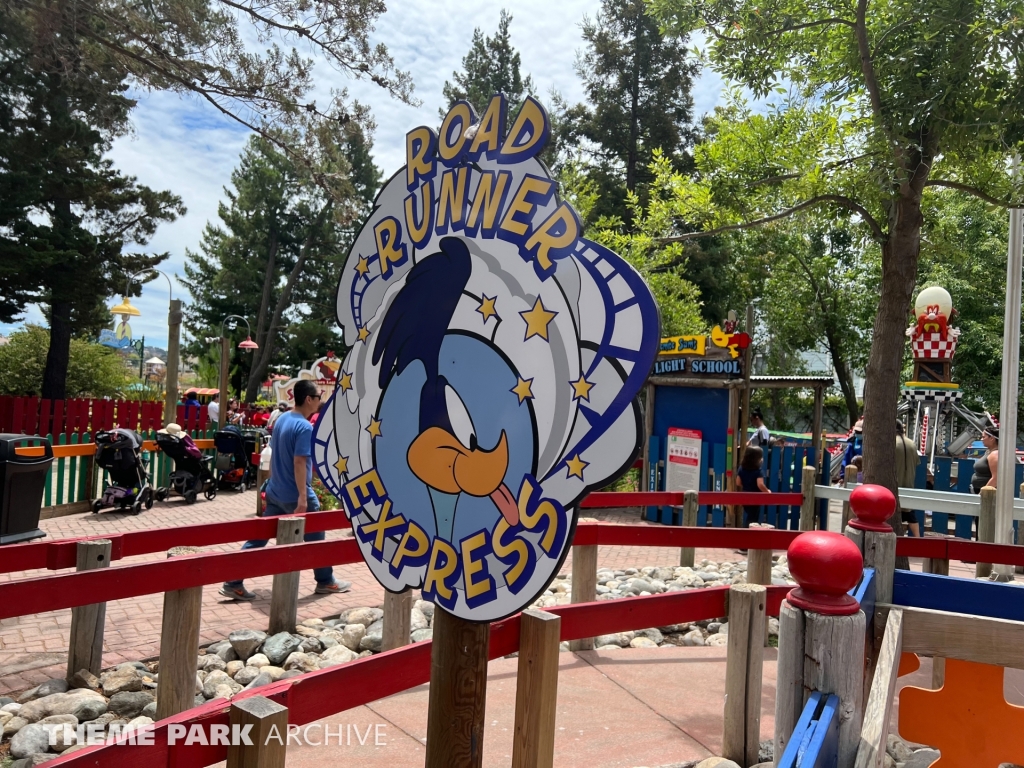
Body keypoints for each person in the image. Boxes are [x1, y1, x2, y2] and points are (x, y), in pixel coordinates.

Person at [220, 380, 350, 600]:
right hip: (295, 494)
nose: (320, 400)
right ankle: (326, 581)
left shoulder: (282, 419)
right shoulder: (304, 427)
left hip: (277, 491)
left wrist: (270, 483)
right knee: (317, 540)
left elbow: (274, 454)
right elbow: (300, 462)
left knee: (260, 538)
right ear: (309, 399)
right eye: (318, 396)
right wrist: (302, 497)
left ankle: (233, 581)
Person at [895, 420, 921, 537]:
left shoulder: (890, 443)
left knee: (893, 515)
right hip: (909, 485)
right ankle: (919, 541)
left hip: (894, 485)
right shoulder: (912, 443)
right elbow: (916, 462)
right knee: (911, 516)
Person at [735, 446, 772, 528]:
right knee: (752, 519)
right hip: (755, 498)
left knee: (750, 516)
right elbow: (760, 484)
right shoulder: (758, 471)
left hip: (745, 496)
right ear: (757, 459)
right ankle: (747, 534)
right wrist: (767, 491)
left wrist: (747, 485)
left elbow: (738, 482)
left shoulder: (741, 469)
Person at [971, 426, 999, 493]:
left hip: (987, 495)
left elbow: (996, 478)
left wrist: (982, 494)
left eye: (983, 437)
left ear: (992, 438)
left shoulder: (995, 454)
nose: (981, 439)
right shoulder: (989, 451)